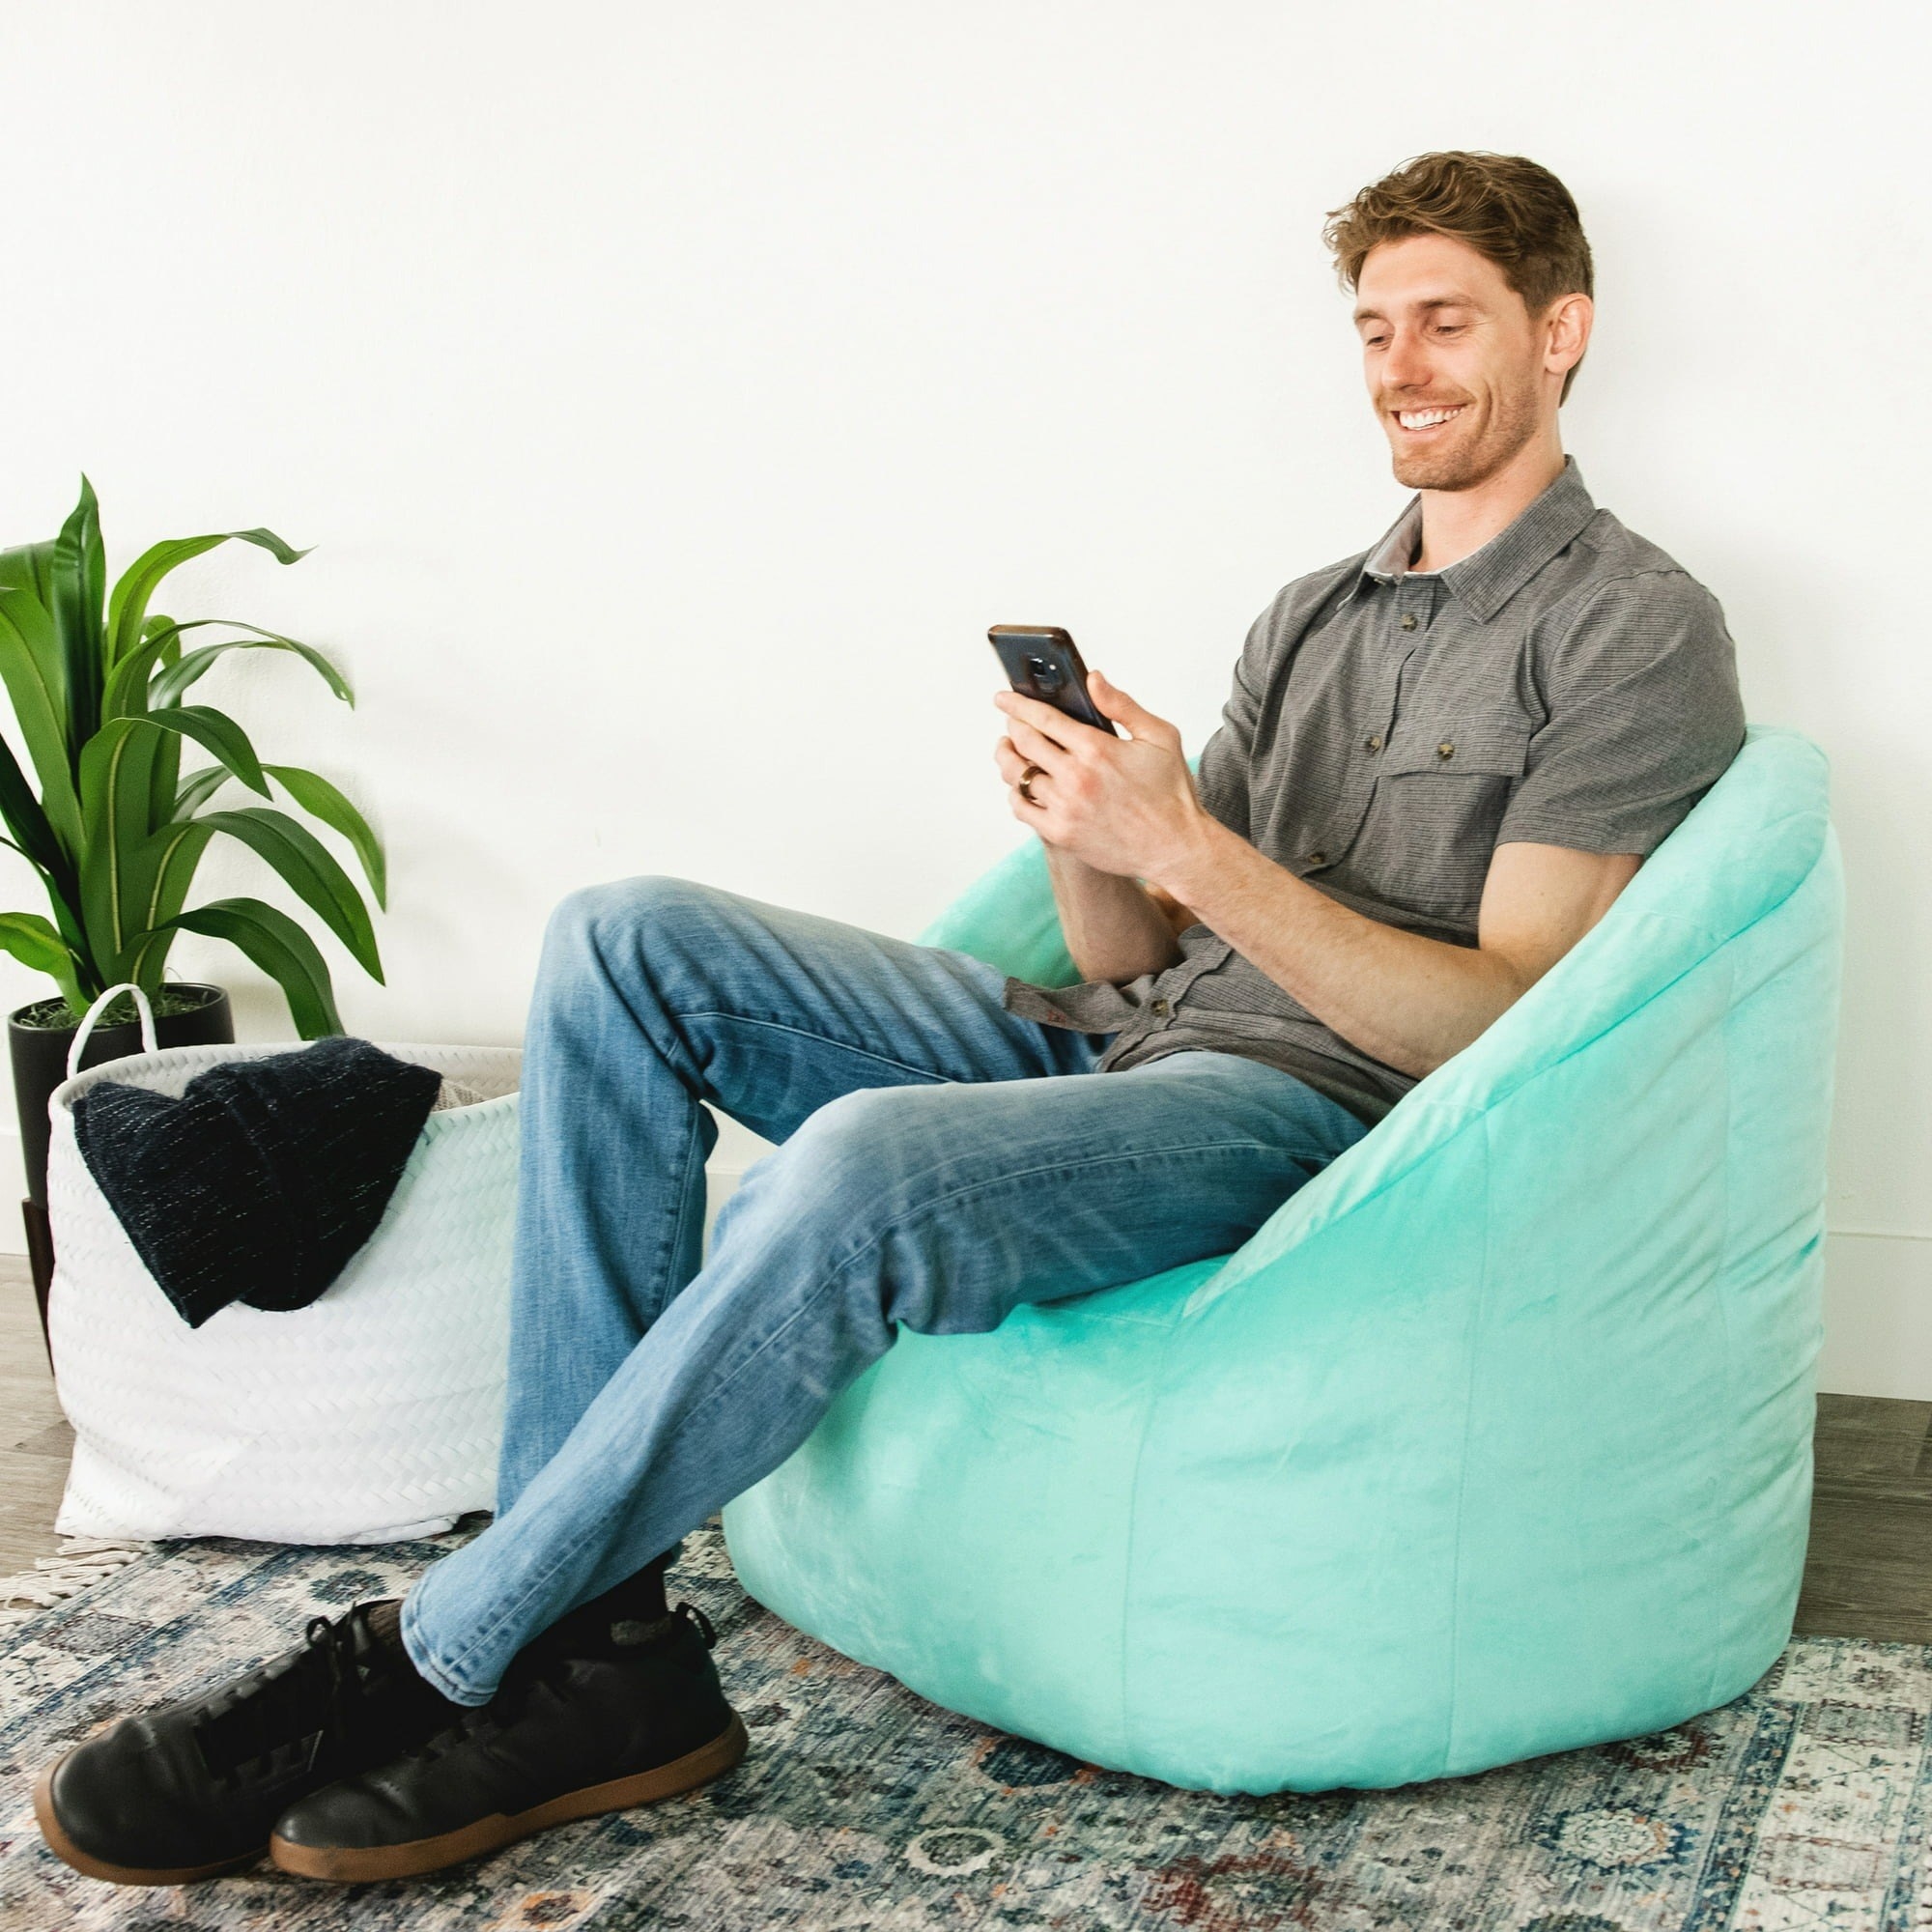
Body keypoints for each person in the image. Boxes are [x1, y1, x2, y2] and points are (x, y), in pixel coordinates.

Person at [37, 149, 1745, 1888]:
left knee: (862, 1166)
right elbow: (1139, 943)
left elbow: (1496, 1027)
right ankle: (605, 1661)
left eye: (1445, 323)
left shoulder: (1634, 627)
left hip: (1299, 1111)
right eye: (1374, 328)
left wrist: (1189, 849)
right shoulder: (1309, 612)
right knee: (622, 937)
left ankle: (435, 1654)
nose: (1400, 369)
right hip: (1118, 1035)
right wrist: (1092, 828)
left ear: (1562, 332)